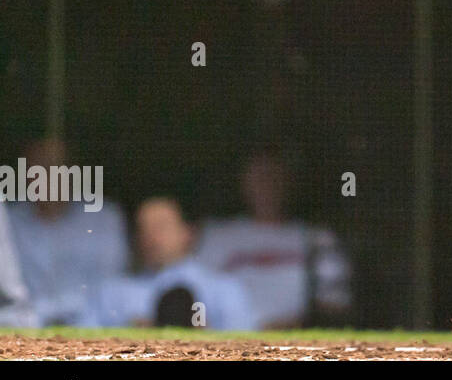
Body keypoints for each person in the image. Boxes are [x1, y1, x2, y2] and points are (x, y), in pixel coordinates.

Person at [195, 151, 350, 329]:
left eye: (274, 176)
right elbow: (196, 298)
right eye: (259, 177)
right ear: (244, 182)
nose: (267, 185)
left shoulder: (318, 238)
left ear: (289, 182)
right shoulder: (219, 235)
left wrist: (295, 325)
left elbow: (336, 304)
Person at [81, 198, 256, 330]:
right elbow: (78, 342)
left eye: (161, 227)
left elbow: (249, 345)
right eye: (144, 228)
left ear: (188, 233)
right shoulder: (111, 292)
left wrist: (204, 339)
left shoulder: (224, 289)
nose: (151, 237)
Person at [7, 138, 130, 327]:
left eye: (55, 167)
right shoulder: (9, 222)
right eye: (36, 169)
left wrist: (53, 311)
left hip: (95, 325)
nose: (47, 176)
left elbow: (110, 285)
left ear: (73, 173)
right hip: (22, 326)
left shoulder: (104, 219)